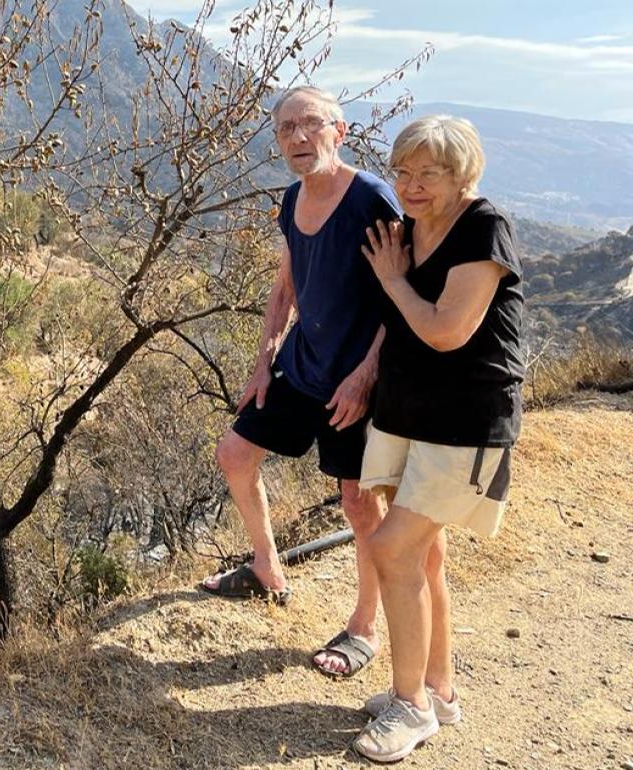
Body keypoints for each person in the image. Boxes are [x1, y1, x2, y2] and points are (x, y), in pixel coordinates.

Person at [200, 86, 398, 679]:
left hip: (356, 378)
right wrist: (263, 360)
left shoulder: (371, 199)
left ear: (339, 130)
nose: (296, 138)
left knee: (360, 504)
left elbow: (401, 293)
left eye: (310, 124)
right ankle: (266, 568)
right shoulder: (291, 200)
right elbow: (285, 285)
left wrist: (367, 376)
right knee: (234, 455)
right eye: (286, 128)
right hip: (301, 365)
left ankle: (366, 627)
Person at [352, 114, 525, 762]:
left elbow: (448, 330)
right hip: (407, 414)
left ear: (462, 175)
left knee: (393, 551)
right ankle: (438, 689)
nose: (411, 184)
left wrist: (394, 280)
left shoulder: (483, 228)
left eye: (429, 172)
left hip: (465, 421)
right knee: (423, 558)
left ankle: (411, 709)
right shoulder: (409, 230)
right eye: (403, 170)